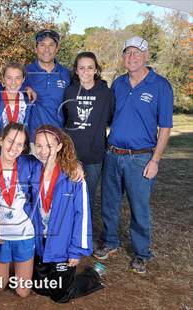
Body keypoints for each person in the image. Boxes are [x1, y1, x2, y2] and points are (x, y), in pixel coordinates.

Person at [94, 36, 173, 274]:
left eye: (137, 53)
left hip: (140, 158)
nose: (132, 57)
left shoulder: (160, 85)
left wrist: (155, 160)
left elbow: (166, 127)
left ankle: (141, 253)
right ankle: (110, 242)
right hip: (113, 154)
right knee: (109, 204)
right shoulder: (118, 83)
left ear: (146, 55)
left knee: (139, 209)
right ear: (123, 57)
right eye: (127, 53)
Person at [30, 125, 103, 303]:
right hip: (41, 244)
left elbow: (82, 215)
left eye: (48, 146)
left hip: (62, 246)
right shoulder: (32, 169)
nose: (43, 151)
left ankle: (93, 275)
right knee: (40, 289)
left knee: (60, 296)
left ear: (59, 147)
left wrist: (75, 251)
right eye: (38, 146)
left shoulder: (73, 177)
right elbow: (11, 158)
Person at [0, 122, 35, 298]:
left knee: (23, 292)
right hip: (0, 236)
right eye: (10, 141)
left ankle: (17, 262)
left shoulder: (29, 165)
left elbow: (55, 160)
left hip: (24, 234)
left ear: (24, 147)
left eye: (20, 144)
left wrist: (77, 165)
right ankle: (8, 261)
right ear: (1, 141)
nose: (14, 148)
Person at [62, 52, 114, 219]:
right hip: (71, 156)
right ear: (76, 71)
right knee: (68, 196)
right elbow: (64, 120)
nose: (86, 71)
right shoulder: (69, 92)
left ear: (96, 70)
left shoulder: (106, 94)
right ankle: (68, 233)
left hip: (94, 156)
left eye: (90, 67)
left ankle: (84, 235)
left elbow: (111, 118)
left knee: (88, 197)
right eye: (82, 68)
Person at [23, 29, 71, 141]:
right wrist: (24, 88)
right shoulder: (25, 72)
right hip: (31, 140)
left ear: (57, 48)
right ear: (36, 48)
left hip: (57, 139)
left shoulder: (66, 74)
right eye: (42, 45)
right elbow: (8, 91)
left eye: (51, 45)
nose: (46, 49)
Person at [0, 62, 31, 129]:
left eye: (18, 78)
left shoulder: (28, 101)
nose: (13, 82)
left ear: (23, 79)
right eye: (9, 78)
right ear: (3, 78)